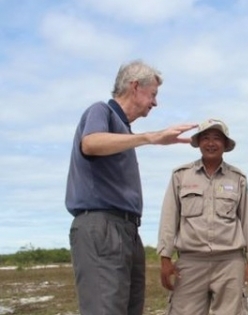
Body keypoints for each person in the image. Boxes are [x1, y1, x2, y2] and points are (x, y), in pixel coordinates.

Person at [65, 60, 197, 315]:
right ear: (135, 87)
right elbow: (90, 143)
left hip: (127, 230)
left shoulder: (123, 130)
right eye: (153, 94)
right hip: (101, 227)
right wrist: (151, 137)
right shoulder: (100, 111)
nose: (155, 103)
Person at [157, 118, 248, 315]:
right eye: (206, 138)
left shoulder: (238, 178)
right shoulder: (181, 176)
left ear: (225, 144)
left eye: (217, 138)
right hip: (190, 262)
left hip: (230, 263)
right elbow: (169, 217)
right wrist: (165, 257)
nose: (211, 143)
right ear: (198, 143)